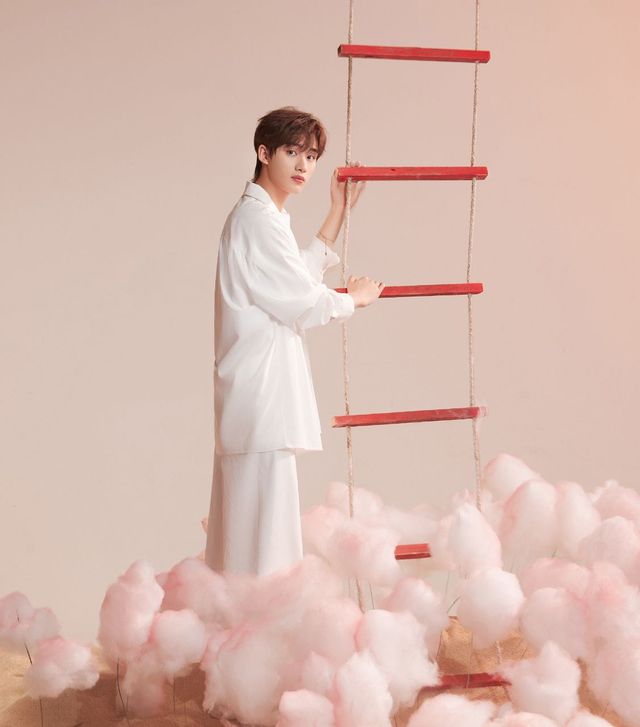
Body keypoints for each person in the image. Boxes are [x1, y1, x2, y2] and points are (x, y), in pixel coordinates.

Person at [204, 106, 384, 576]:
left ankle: (243, 620)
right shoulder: (257, 221)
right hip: (260, 398)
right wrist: (354, 299)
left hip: (258, 401)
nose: (304, 165)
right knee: (263, 551)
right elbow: (301, 300)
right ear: (265, 153)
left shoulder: (265, 218)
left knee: (251, 542)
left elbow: (292, 276)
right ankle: (253, 621)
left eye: (312, 156)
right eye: (292, 152)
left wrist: (337, 211)